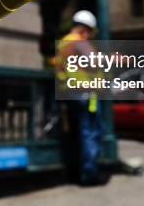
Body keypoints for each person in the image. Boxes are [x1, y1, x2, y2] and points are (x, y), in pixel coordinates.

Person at [56, 10, 105, 186]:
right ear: (86, 29)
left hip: (68, 93)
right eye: (90, 32)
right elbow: (94, 62)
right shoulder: (79, 42)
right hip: (85, 93)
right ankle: (89, 174)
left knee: (77, 134)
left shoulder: (63, 43)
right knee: (90, 132)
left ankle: (75, 171)